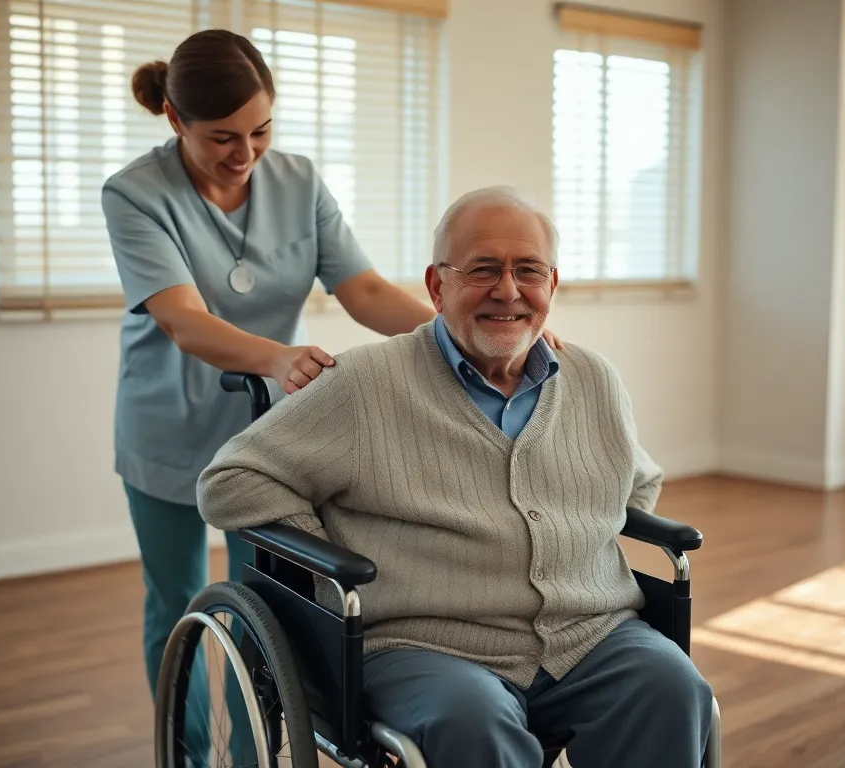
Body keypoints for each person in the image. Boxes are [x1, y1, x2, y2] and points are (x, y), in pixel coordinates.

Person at [101, 29, 563, 766]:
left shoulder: (299, 181)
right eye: (223, 137)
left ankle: (253, 754)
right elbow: (181, 318)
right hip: (168, 421)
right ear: (174, 120)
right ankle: (187, 755)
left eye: (261, 131)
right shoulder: (135, 193)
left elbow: (365, 289)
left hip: (271, 436)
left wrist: (475, 331)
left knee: (264, 612)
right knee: (178, 602)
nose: (245, 153)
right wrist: (279, 356)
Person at [196, 186, 715, 768]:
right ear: (437, 285)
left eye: (529, 271)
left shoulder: (594, 378)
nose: (508, 291)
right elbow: (230, 479)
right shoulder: (365, 383)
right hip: (428, 643)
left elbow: (635, 481)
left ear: (552, 284)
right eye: (484, 270)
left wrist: (575, 539)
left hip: (588, 636)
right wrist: (325, 546)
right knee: (470, 723)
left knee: (674, 689)